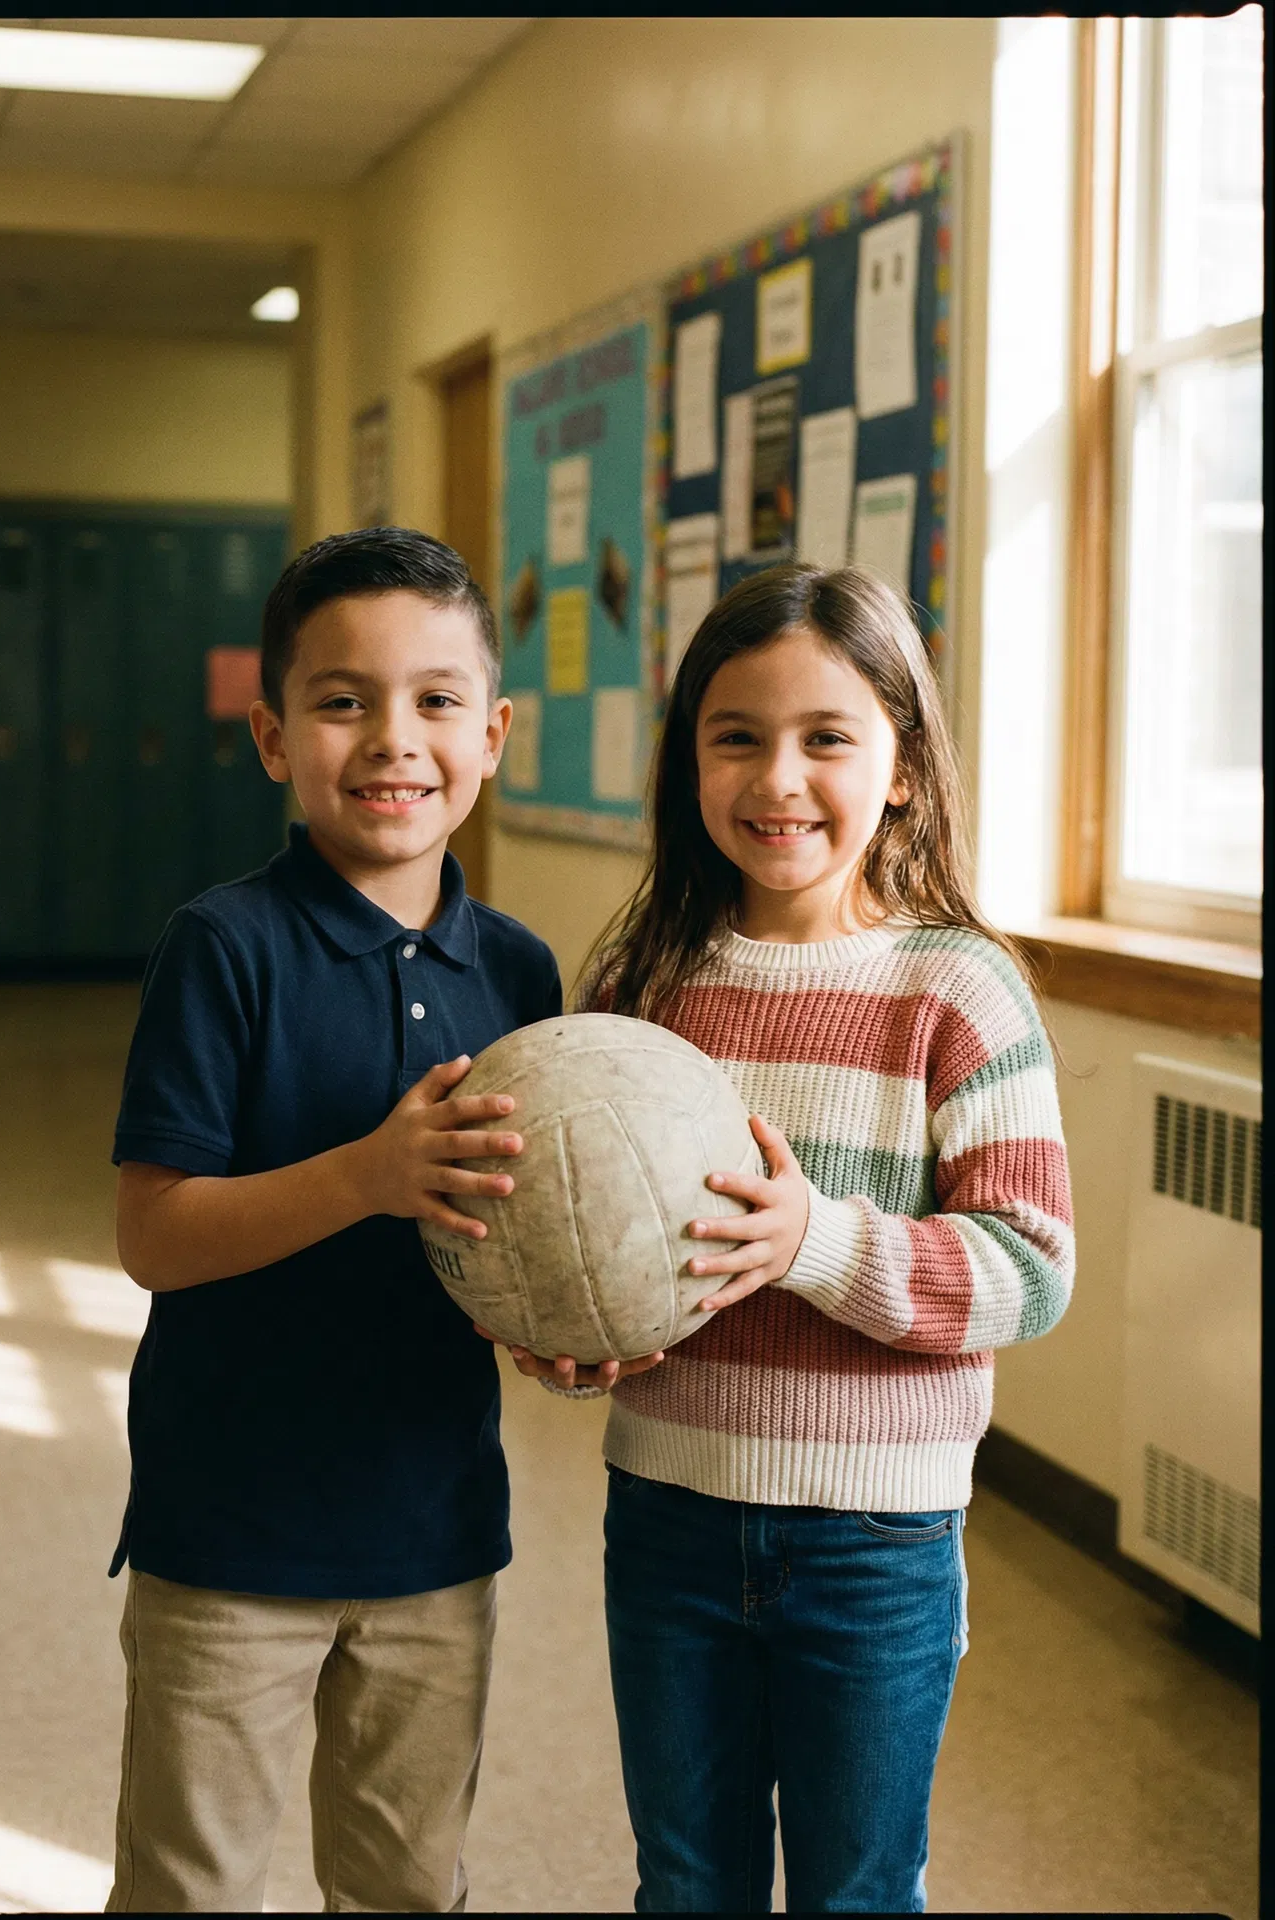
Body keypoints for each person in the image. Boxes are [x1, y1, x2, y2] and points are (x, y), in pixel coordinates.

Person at [495, 562, 1075, 1913]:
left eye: (827, 739)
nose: (777, 780)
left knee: (853, 1893)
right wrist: (578, 1338)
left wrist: (814, 1239)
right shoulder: (645, 986)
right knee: (684, 1885)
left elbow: (1028, 1271)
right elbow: (601, 1254)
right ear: (687, 761)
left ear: (903, 770)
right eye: (735, 737)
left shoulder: (955, 988)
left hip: (876, 1547)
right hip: (670, 1519)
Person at [103, 526, 566, 1915]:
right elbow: (155, 1234)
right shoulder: (223, 947)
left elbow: (528, 1232)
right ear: (270, 734)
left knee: (407, 1884)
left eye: (434, 701)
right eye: (341, 700)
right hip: (228, 1537)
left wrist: (575, 1329)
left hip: (433, 1534)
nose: (391, 740)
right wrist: (366, 1174)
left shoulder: (519, 971)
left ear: (490, 734)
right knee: (193, 1887)